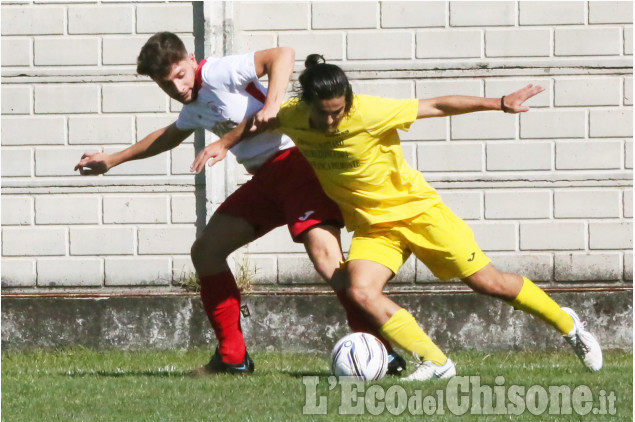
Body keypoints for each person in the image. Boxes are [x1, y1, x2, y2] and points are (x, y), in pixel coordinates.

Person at [194, 54, 603, 381]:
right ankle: (436, 362)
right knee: (359, 290)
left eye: (339, 112)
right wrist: (225, 144)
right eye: (325, 115)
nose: (332, 120)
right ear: (310, 107)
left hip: (420, 213)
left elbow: (438, 104)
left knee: (488, 283)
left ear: (349, 102)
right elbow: (261, 120)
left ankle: (569, 326)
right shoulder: (296, 112)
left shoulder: (370, 111)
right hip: (374, 226)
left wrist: (497, 103)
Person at [74, 34, 407, 375]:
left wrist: (272, 103)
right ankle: (232, 357)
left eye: (180, 75)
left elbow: (282, 54)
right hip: (265, 182)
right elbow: (171, 134)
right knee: (206, 252)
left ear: (191, 59)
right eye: (165, 83)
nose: (176, 87)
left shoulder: (219, 71)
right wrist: (112, 160)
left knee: (327, 262)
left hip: (298, 167)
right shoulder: (193, 105)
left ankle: (382, 349)